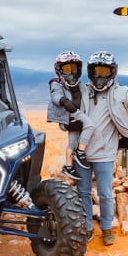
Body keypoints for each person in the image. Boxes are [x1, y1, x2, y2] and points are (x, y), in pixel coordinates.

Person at [75, 51, 128, 245]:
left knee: (105, 193)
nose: (100, 76)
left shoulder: (118, 92)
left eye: (105, 71)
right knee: (83, 192)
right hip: (82, 152)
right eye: (96, 71)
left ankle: (107, 228)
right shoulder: (83, 91)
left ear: (112, 72)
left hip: (105, 153)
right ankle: (86, 227)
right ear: (90, 72)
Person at [46, 51, 93, 180]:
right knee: (89, 126)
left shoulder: (81, 86)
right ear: (59, 70)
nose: (71, 72)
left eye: (74, 68)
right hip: (70, 118)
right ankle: (80, 154)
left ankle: (69, 166)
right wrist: (64, 101)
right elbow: (55, 95)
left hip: (77, 117)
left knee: (72, 143)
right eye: (67, 69)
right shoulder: (56, 84)